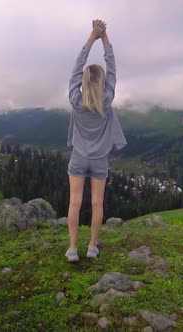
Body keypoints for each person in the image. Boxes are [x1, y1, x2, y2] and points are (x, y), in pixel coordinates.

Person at [65, 19, 127, 262]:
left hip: (79, 157)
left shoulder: (75, 100)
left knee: (75, 203)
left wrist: (92, 37)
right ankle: (91, 246)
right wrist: (105, 39)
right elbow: (112, 69)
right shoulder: (107, 99)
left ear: (82, 82)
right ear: (102, 83)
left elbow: (75, 68)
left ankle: (72, 248)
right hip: (100, 159)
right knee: (97, 204)